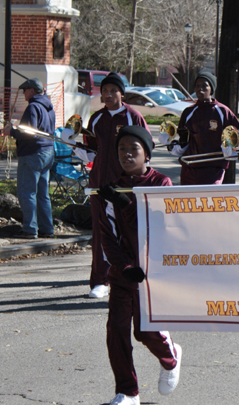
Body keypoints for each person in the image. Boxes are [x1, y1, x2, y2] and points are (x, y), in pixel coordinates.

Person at [94, 125, 182, 405]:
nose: (127, 154)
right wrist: (124, 267)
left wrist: (125, 202)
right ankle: (127, 393)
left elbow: (159, 225)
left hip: (154, 274)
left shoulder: (161, 183)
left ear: (147, 154)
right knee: (116, 331)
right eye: (122, 149)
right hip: (124, 274)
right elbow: (107, 236)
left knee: (145, 332)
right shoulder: (111, 187)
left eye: (134, 149)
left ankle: (170, 357)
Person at [84, 72, 148, 299]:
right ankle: (100, 281)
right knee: (102, 234)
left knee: (129, 232)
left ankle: (133, 275)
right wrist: (76, 146)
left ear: (122, 93)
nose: (109, 95)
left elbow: (146, 149)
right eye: (105, 91)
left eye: (113, 91)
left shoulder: (133, 116)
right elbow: (91, 150)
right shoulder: (97, 118)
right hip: (100, 185)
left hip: (125, 186)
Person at [1, 78, 56, 240]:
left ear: (32, 91)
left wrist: (11, 132)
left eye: (25, 90)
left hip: (32, 153)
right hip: (47, 151)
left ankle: (30, 229)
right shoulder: (49, 107)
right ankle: (47, 228)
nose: (24, 93)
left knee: (27, 192)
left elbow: (29, 133)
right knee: (42, 194)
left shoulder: (33, 107)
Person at [171, 71, 239, 185]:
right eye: (197, 86)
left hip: (213, 167)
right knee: (188, 196)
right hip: (190, 167)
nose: (200, 89)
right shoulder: (189, 112)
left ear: (211, 90)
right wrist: (173, 146)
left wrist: (230, 149)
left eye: (204, 86)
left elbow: (235, 136)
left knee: (208, 196)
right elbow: (183, 139)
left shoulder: (223, 111)